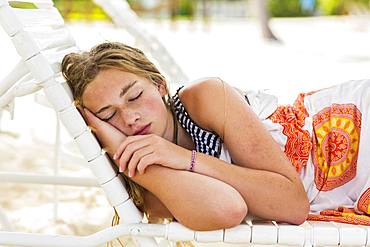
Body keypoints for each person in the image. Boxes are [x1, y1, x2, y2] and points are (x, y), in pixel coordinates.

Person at [61, 42, 370, 231]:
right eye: (107, 115)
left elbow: (290, 202)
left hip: (350, 125)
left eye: (134, 96)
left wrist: (183, 158)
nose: (130, 117)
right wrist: (135, 158)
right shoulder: (155, 190)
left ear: (159, 85)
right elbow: (229, 208)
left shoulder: (204, 97)